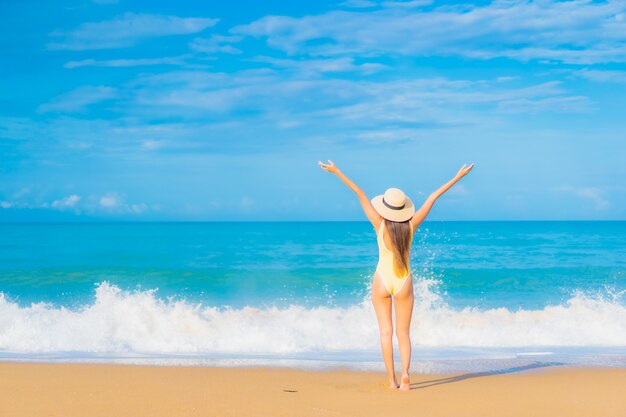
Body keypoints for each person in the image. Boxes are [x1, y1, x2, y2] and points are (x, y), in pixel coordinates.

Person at [318, 160, 474, 391]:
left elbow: (359, 192)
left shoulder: (378, 224)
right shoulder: (411, 226)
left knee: (385, 332)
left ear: (384, 207)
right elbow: (433, 197)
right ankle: (406, 376)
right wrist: (458, 176)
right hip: (404, 281)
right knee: (403, 333)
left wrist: (337, 171)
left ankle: (391, 380)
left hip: (382, 279)